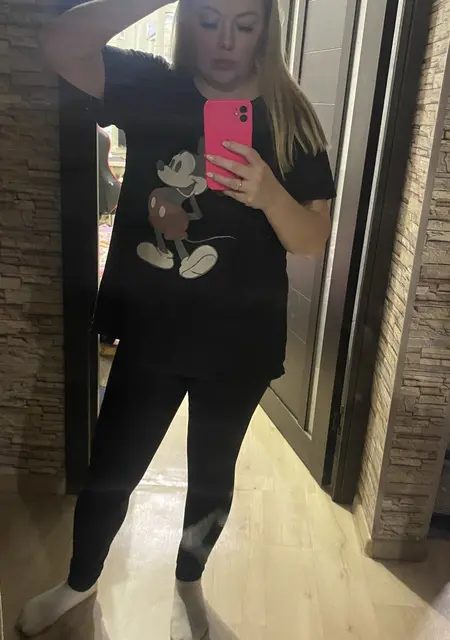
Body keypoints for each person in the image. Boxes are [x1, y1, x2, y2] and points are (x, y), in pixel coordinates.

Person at [17, 0, 336, 638]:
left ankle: (189, 581)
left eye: (244, 23)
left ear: (266, 27)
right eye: (210, 19)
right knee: (112, 469)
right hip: (152, 330)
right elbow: (59, 42)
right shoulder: (150, 85)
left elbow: (311, 239)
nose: (226, 40)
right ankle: (79, 582)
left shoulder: (292, 116)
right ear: (188, 19)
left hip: (240, 341)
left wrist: (269, 194)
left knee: (212, 474)